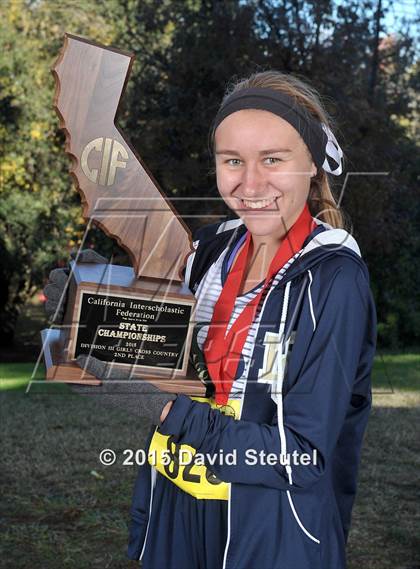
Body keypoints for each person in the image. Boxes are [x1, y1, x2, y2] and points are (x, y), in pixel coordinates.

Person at [44, 70, 377, 569]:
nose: (250, 183)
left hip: (269, 527)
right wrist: (86, 311)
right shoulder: (211, 251)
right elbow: (170, 350)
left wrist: (160, 409)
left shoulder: (333, 281)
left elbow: (299, 455)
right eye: (233, 161)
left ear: (313, 164)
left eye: (273, 159)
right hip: (178, 507)